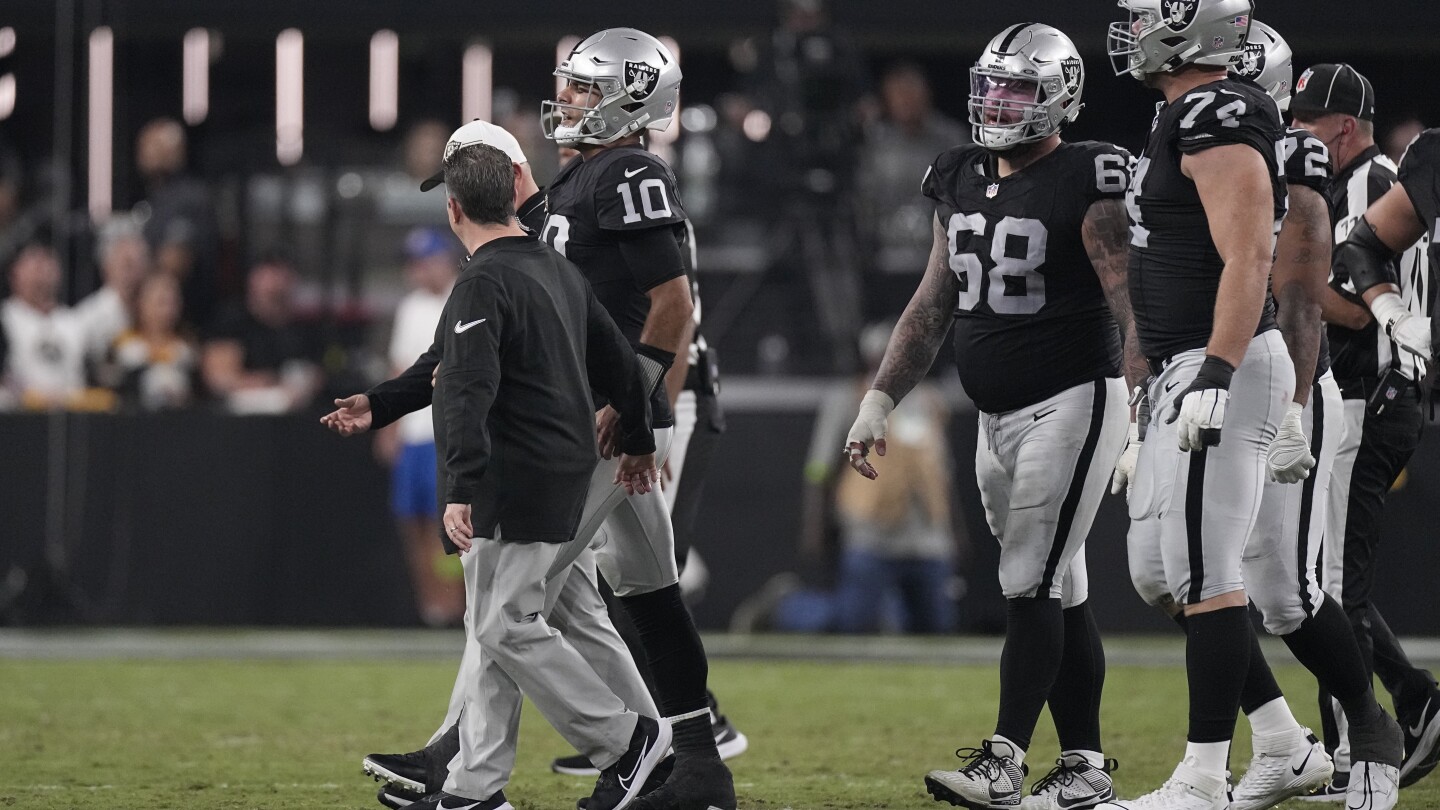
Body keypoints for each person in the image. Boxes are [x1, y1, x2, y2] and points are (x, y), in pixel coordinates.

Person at [844, 23, 1139, 810]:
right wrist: (880, 397)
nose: (998, 102)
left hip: (1074, 400)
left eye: (1017, 88)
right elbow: (933, 303)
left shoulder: (1089, 175)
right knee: (1060, 586)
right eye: (992, 86)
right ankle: (1084, 767)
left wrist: (1143, 412)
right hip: (995, 413)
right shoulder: (959, 174)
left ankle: (1004, 760)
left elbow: (1129, 304)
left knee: (1027, 579)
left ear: (1060, 97)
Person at [1123, 24, 1406, 810]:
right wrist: (1138, 387)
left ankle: (1355, 729)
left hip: (1255, 371)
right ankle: (1283, 740)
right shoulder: (1181, 124)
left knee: (1277, 589)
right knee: (1162, 570)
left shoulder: (1244, 133)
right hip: (1203, 364)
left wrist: (1294, 402)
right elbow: (1164, 270)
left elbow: (1296, 281)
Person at [347, 131, 672, 810]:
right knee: (560, 613)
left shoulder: (484, 279)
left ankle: (629, 742)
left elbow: (462, 389)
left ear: (455, 208)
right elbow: (620, 361)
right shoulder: (553, 268)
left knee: (503, 625)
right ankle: (474, 782)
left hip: (520, 473)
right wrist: (639, 436)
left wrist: (459, 488)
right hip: (570, 460)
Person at [1288, 62, 1440, 797]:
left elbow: (1350, 307)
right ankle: (1414, 701)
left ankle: (1359, 748)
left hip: (1369, 395)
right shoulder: (1342, 184)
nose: (1294, 135)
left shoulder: (1375, 182)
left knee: (1329, 584)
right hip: (1353, 395)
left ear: (1342, 126)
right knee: (1313, 578)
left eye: (1306, 124)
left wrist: (1279, 272)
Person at [379, 226, 465, 628]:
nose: (416, 272)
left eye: (423, 263)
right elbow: (399, 369)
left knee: (447, 525)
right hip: (413, 434)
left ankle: (456, 605)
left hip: (443, 433)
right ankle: (430, 605)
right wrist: (388, 425)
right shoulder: (410, 307)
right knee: (411, 520)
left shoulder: (463, 299)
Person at [201, 250, 321, 413]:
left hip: (292, 417)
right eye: (270, 276)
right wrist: (269, 383)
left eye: (283, 275)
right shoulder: (231, 321)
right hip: (240, 418)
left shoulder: (303, 329)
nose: (278, 283)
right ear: (253, 279)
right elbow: (219, 379)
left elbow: (316, 374)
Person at [1, 243, 89, 409]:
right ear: (14, 273)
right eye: (33, 259)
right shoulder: (5, 317)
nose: (41, 267)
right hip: (17, 414)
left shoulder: (75, 321)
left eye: (48, 259)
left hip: (71, 413)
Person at [111, 272, 196, 411]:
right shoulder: (123, 345)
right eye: (161, 302)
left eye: (173, 302)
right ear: (140, 303)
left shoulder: (186, 347)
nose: (168, 310)